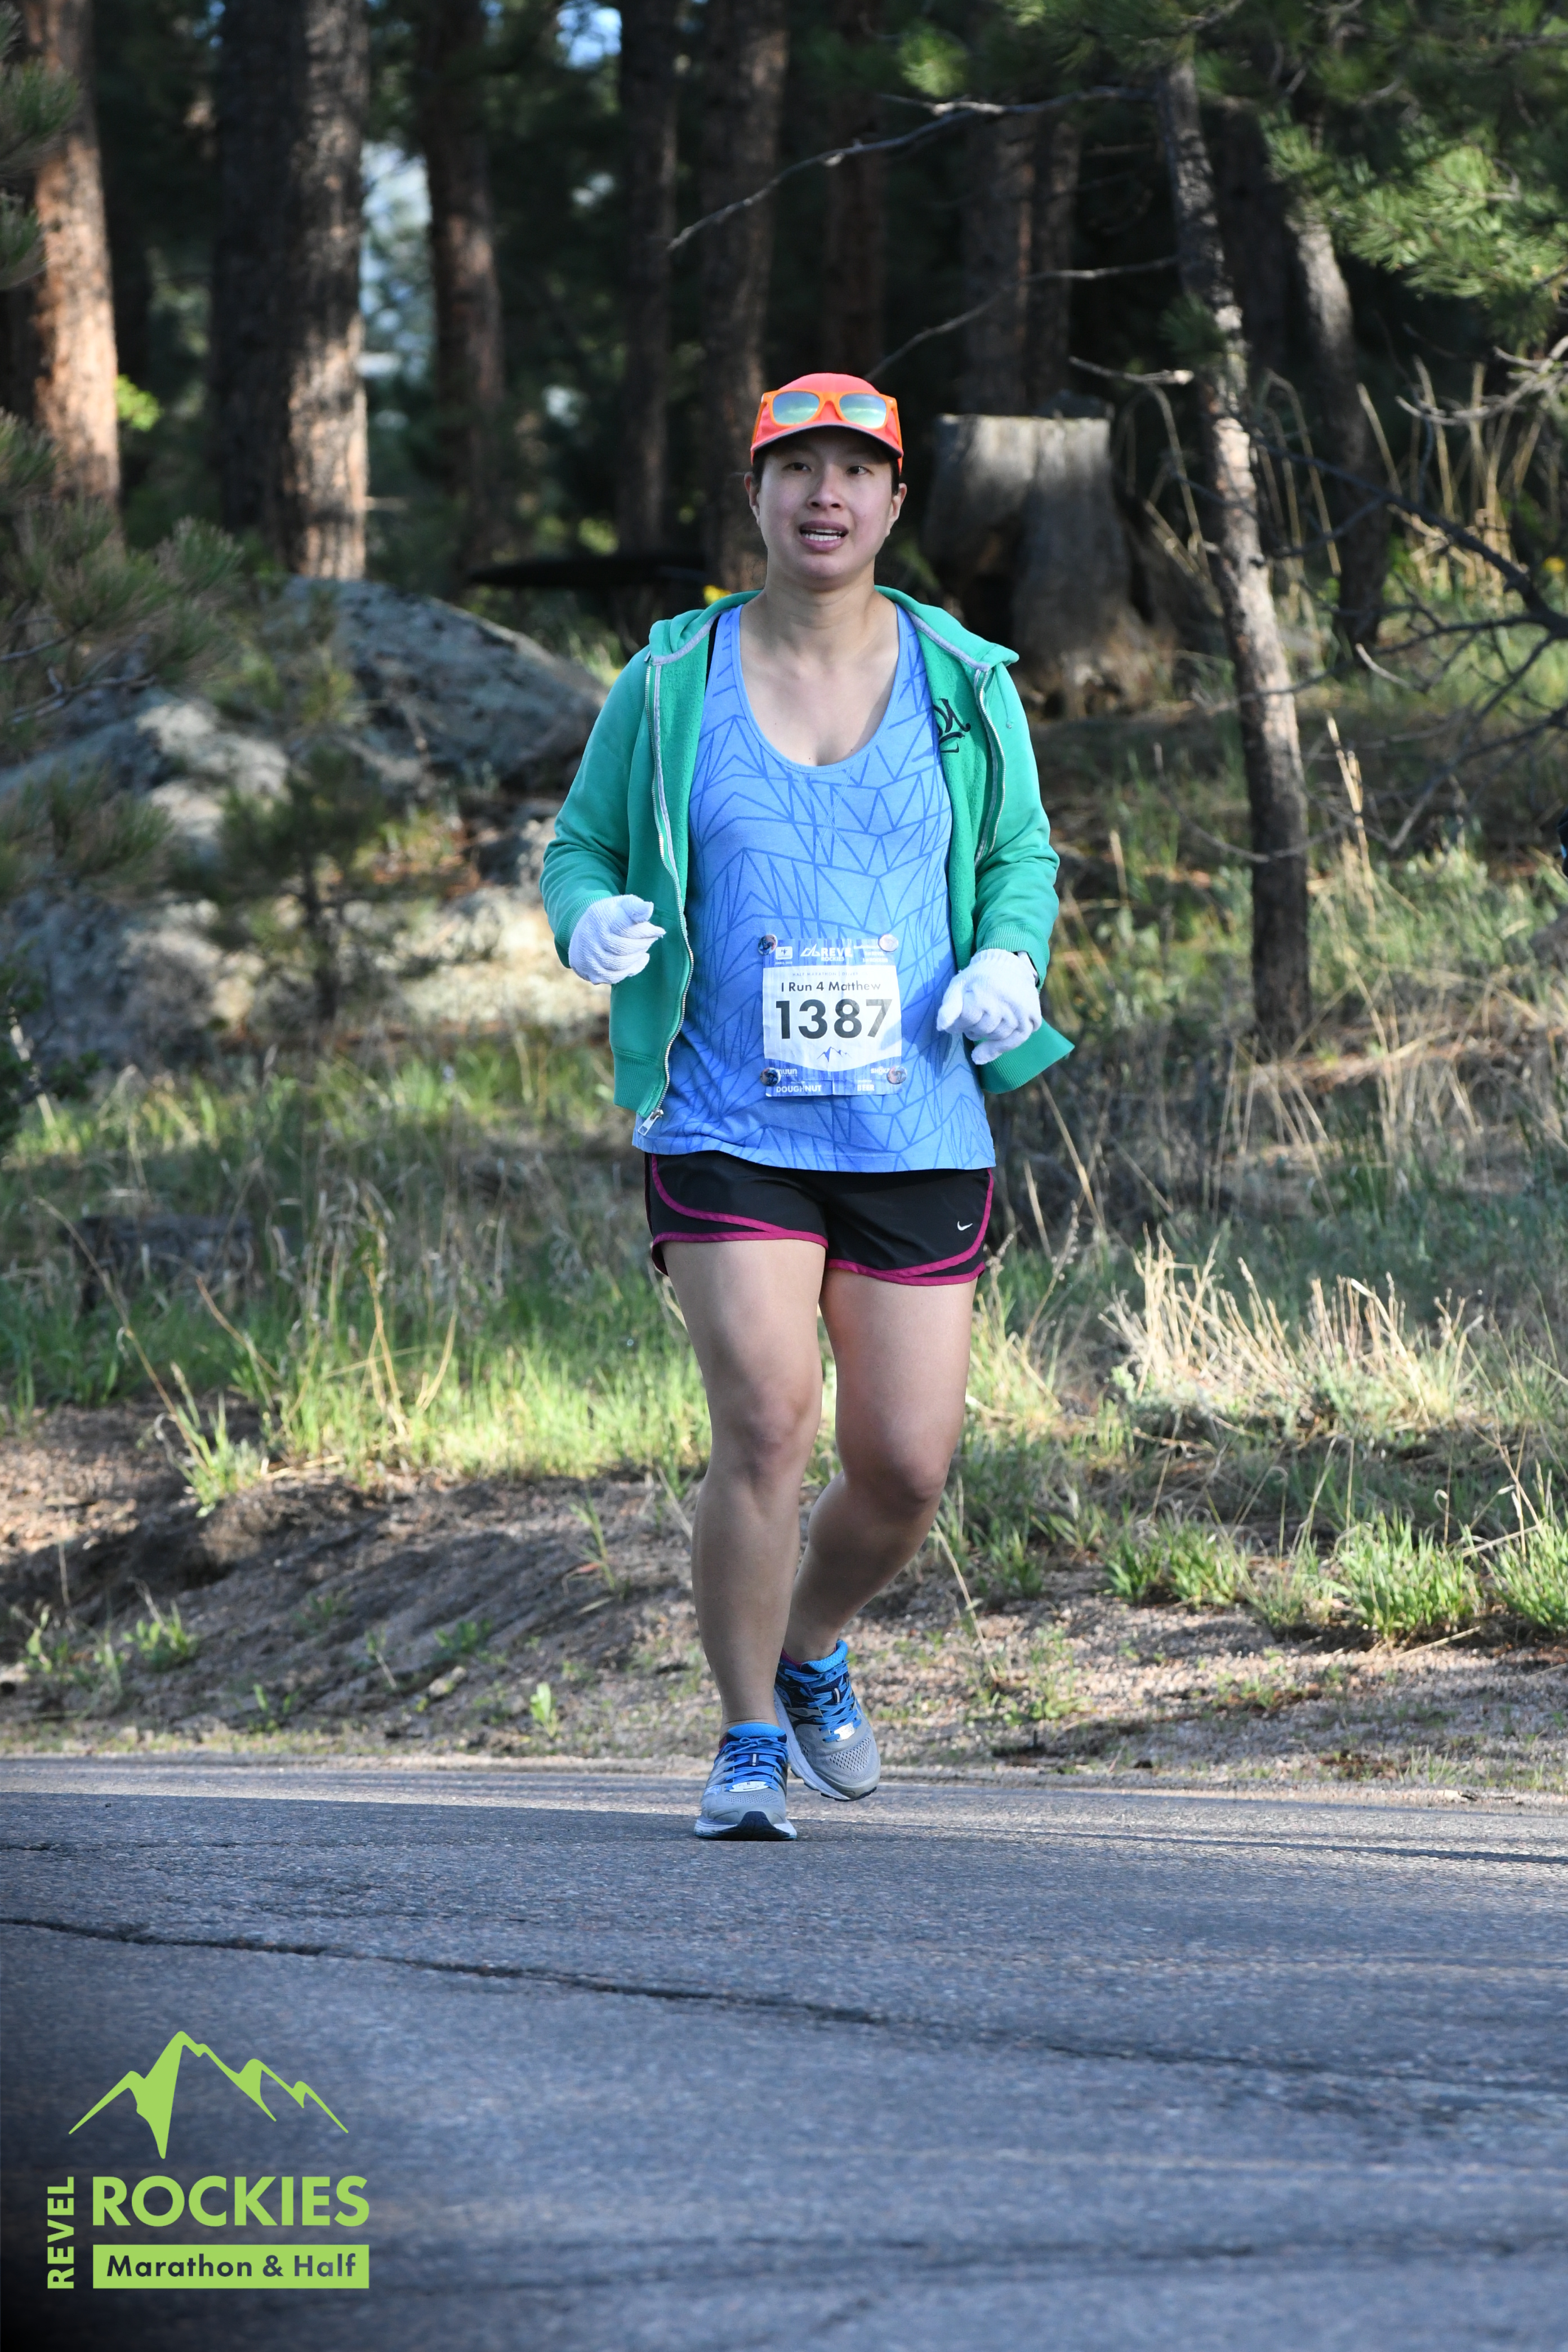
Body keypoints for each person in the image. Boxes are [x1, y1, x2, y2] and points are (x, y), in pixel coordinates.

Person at [542, 371, 1071, 1839]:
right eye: (795, 468)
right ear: (757, 495)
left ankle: (809, 1640)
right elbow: (581, 848)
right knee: (767, 1421)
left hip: (914, 1118)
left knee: (902, 1469)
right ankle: (746, 1738)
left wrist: (1011, 958)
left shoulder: (966, 681)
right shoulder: (670, 679)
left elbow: (1020, 856)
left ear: (895, 502)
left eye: (854, 470)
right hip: (728, 1114)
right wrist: (586, 923)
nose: (823, 494)